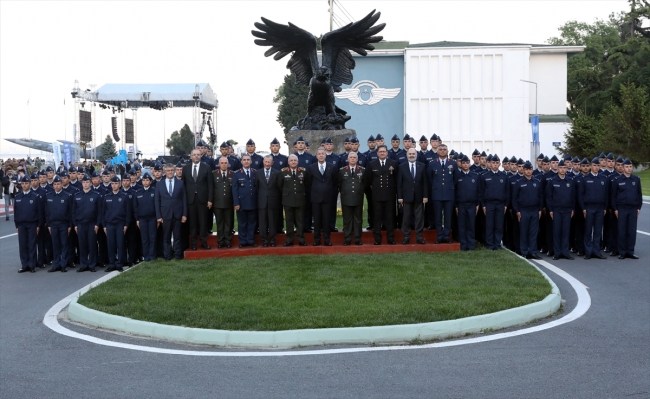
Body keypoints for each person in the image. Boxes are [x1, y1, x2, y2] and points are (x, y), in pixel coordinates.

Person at [182, 149, 214, 250]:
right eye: (194, 155)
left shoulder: (207, 168)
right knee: (192, 222)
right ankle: (194, 243)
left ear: (201, 156)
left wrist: (210, 200)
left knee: (203, 222)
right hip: (190, 199)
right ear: (191, 156)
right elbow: (184, 185)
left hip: (203, 199)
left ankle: (204, 242)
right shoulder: (186, 169)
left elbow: (210, 185)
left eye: (198, 155)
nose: (196, 156)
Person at [366, 145, 398, 245]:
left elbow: (396, 180)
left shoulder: (393, 163)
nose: (382, 153)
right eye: (380, 151)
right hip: (376, 195)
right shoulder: (372, 164)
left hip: (390, 195)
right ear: (377, 153)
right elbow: (368, 180)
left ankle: (391, 238)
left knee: (390, 217)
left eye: (384, 151)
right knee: (377, 218)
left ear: (387, 153)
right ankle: (377, 239)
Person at [611, 158, 642, 259]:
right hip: (621, 208)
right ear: (623, 168)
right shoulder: (617, 180)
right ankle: (622, 251)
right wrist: (615, 209)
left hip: (633, 208)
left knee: (632, 231)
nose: (629, 169)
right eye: (626, 167)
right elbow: (614, 196)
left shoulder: (636, 179)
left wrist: (638, 207)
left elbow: (639, 194)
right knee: (622, 230)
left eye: (630, 167)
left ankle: (630, 251)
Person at [579, 158, 609, 260]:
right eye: (594, 165)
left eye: (598, 166)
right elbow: (581, 195)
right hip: (589, 208)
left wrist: (605, 207)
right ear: (591, 166)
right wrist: (583, 208)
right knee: (588, 230)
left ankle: (596, 251)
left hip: (600, 208)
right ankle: (588, 251)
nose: (596, 167)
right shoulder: (585, 178)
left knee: (597, 231)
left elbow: (606, 195)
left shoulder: (603, 179)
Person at [545, 159, 576, 260]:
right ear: (557, 169)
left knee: (565, 232)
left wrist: (572, 208)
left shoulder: (570, 181)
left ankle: (565, 252)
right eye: (561, 168)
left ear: (567, 169)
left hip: (567, 210)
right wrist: (550, 210)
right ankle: (557, 252)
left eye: (564, 168)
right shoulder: (552, 181)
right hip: (556, 210)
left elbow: (573, 196)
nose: (562, 170)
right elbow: (548, 197)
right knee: (557, 231)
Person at [156, 164, 187, 260]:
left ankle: (177, 255)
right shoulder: (159, 184)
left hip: (178, 214)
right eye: (168, 170)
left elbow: (184, 199)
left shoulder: (180, 183)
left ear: (174, 171)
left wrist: (184, 214)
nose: (170, 172)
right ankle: (167, 255)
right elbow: (157, 201)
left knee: (177, 236)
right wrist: (159, 216)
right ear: (165, 172)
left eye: (171, 170)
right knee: (166, 237)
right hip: (165, 215)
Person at [512, 161, 543, 260]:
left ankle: (533, 252)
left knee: (533, 232)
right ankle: (524, 251)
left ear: (532, 170)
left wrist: (540, 209)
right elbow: (514, 198)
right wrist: (517, 211)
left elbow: (540, 197)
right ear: (523, 170)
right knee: (524, 232)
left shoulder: (537, 182)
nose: (528, 171)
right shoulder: (519, 182)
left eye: (530, 169)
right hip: (523, 210)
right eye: (526, 169)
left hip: (534, 210)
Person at [397, 148, 428, 244]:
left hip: (419, 196)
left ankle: (419, 236)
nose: (411, 155)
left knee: (419, 217)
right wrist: (400, 197)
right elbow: (399, 183)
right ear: (407, 155)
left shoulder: (422, 166)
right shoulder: (402, 166)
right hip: (406, 197)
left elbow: (425, 182)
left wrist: (425, 196)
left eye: (413, 154)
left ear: (416, 155)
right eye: (409, 154)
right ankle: (406, 236)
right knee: (406, 217)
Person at [308, 147, 338, 246]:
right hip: (316, 198)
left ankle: (326, 239)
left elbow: (335, 182)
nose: (321, 155)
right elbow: (309, 182)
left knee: (326, 219)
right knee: (316, 220)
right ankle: (316, 239)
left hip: (327, 198)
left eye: (323, 154)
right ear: (316, 156)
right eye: (319, 154)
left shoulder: (332, 167)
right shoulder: (311, 168)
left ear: (325, 155)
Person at [427, 144, 457, 244]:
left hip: (449, 193)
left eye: (445, 149)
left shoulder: (453, 163)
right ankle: (440, 235)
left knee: (448, 216)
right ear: (437, 151)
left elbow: (455, 179)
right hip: (437, 193)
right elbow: (430, 178)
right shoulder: (432, 163)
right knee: (438, 216)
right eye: (441, 149)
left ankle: (447, 235)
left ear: (447, 151)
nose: (443, 151)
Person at [277, 154, 308, 247]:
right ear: (288, 162)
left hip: (300, 200)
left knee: (300, 221)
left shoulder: (303, 171)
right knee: (289, 221)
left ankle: (301, 239)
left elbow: (307, 184)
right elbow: (279, 185)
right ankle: (289, 240)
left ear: (298, 162)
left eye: (295, 160)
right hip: (288, 200)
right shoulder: (283, 172)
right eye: (291, 160)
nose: (293, 162)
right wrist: (287, 193)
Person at [73, 174, 102, 272]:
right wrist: (75, 224)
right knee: (82, 245)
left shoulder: (96, 195)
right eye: (84, 182)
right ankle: (83, 264)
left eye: (87, 182)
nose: (85, 184)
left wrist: (97, 224)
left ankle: (92, 265)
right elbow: (73, 211)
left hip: (92, 223)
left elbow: (99, 211)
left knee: (92, 244)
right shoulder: (77, 196)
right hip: (80, 224)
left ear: (90, 183)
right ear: (82, 183)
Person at [102, 175, 131, 272]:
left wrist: (126, 224)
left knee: (120, 244)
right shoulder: (107, 197)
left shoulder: (124, 197)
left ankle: (119, 264)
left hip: (120, 224)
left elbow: (128, 212)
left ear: (119, 185)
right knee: (111, 245)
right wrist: (104, 225)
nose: (114, 185)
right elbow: (103, 212)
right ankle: (112, 263)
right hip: (109, 224)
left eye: (116, 184)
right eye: (113, 184)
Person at [479, 154, 509, 250]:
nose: (495, 164)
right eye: (493, 163)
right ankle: (490, 244)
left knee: (499, 225)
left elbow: (507, 191)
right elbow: (481, 191)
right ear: (490, 164)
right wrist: (483, 205)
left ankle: (497, 244)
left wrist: (506, 205)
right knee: (489, 224)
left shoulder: (504, 176)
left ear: (499, 164)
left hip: (500, 204)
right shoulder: (484, 176)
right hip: (489, 204)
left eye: (497, 163)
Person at [14, 175, 43, 273]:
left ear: (30, 184)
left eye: (26, 183)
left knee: (32, 245)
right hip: (21, 225)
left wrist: (38, 225)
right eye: (23, 183)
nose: (25, 185)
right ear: (21, 185)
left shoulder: (35, 196)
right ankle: (24, 264)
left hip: (32, 225)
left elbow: (39, 212)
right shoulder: (18, 197)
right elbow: (16, 213)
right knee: (22, 245)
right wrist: (16, 226)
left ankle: (32, 265)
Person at [45, 175, 73, 272]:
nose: (56, 186)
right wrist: (48, 224)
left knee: (64, 244)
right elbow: (47, 212)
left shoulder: (67, 196)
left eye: (58, 184)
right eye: (55, 184)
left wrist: (70, 225)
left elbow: (70, 212)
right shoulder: (49, 196)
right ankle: (56, 264)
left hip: (64, 224)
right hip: (53, 224)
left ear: (61, 184)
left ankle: (63, 264)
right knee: (55, 244)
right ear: (53, 185)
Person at [338, 152, 365, 245]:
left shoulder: (362, 170)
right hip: (346, 198)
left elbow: (365, 183)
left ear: (357, 159)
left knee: (358, 219)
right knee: (347, 219)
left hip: (358, 197)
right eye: (351, 157)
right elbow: (339, 184)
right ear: (348, 159)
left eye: (354, 157)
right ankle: (347, 239)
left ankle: (357, 239)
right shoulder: (342, 171)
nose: (353, 159)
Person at [454, 155, 480, 250]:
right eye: (463, 163)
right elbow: (455, 191)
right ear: (461, 164)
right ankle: (463, 245)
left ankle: (471, 245)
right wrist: (456, 205)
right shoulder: (457, 176)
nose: (465, 165)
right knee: (462, 225)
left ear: (469, 164)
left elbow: (478, 191)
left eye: (467, 163)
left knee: (471, 225)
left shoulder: (475, 176)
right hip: (461, 205)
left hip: (472, 204)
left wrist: (477, 204)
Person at [232, 154, 258, 247]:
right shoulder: (236, 174)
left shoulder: (255, 172)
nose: (246, 161)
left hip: (253, 202)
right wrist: (236, 203)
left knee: (252, 224)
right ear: (241, 162)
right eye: (244, 160)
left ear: (251, 161)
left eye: (248, 160)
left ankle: (250, 240)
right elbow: (234, 190)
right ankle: (242, 241)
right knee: (242, 224)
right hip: (241, 203)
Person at [255, 155, 281, 247]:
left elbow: (279, 188)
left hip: (273, 202)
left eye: (269, 162)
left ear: (272, 163)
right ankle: (264, 240)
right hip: (261, 202)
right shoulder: (258, 173)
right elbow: (256, 187)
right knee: (263, 223)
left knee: (273, 222)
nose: (267, 163)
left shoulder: (277, 173)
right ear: (263, 162)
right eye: (265, 161)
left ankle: (273, 240)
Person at [133, 174, 157, 262]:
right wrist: (137, 219)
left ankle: (152, 256)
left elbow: (156, 206)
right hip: (142, 219)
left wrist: (157, 218)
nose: (145, 182)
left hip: (152, 218)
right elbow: (135, 207)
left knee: (152, 237)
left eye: (147, 180)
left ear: (150, 181)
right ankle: (146, 256)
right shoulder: (138, 192)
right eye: (143, 180)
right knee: (144, 238)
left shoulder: (154, 191)